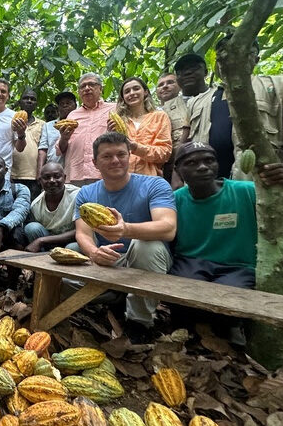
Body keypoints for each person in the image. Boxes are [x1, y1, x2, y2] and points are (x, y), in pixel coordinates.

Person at [171, 141, 283, 341]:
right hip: (191, 263)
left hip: (238, 267)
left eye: (209, 160)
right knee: (182, 296)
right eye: (191, 163)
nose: (202, 167)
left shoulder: (247, 191)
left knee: (228, 300)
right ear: (178, 170)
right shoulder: (175, 200)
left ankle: (230, 330)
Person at [72, 132, 176, 338]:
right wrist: (94, 252)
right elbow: (82, 233)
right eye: (107, 156)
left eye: (121, 154)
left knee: (146, 246)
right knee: (70, 258)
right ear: (95, 163)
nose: (115, 160)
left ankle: (139, 322)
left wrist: (126, 229)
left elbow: (168, 228)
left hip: (146, 258)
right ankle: (116, 299)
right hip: (109, 258)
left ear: (130, 156)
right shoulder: (86, 193)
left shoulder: (155, 184)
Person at [184, 37, 283, 181]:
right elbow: (186, 142)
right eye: (223, 55)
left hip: (261, 179)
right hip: (205, 185)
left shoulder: (280, 86)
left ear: (255, 59)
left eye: (241, 52)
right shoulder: (197, 101)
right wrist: (178, 176)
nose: (230, 59)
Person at [57, 73, 116, 186]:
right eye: (83, 86)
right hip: (76, 175)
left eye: (91, 84)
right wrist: (64, 138)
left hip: (104, 173)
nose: (87, 88)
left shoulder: (114, 109)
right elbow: (61, 149)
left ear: (100, 89)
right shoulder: (72, 115)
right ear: (79, 92)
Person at [164, 53, 213, 183]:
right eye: (181, 72)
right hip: (180, 174)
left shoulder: (219, 98)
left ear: (205, 72)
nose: (187, 73)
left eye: (194, 68)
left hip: (215, 167)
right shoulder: (165, 109)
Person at [112, 77, 172, 176]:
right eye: (127, 91)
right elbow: (110, 152)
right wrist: (110, 135)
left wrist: (136, 148)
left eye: (136, 89)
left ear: (145, 92)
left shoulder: (159, 117)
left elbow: (164, 153)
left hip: (149, 177)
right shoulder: (118, 120)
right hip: (121, 177)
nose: (131, 93)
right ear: (123, 98)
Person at [20, 162, 80, 252]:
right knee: (31, 228)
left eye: (57, 176)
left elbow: (81, 231)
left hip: (74, 240)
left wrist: (41, 240)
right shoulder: (36, 205)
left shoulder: (78, 195)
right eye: (47, 177)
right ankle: (42, 259)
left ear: (64, 178)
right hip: (50, 243)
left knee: (72, 248)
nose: (52, 181)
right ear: (40, 181)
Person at [11, 88, 45, 200]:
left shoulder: (42, 124)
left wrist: (41, 173)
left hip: (34, 177)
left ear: (36, 104)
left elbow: (44, 150)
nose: (29, 101)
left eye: (33, 99)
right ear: (19, 102)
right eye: (26, 98)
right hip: (12, 175)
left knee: (32, 207)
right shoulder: (11, 120)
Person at [37, 91, 77, 173]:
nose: (65, 105)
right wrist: (40, 172)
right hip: (53, 171)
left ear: (75, 106)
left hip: (75, 171)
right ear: (58, 108)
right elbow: (43, 150)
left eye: (68, 103)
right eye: (61, 104)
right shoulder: (48, 126)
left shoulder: (81, 124)